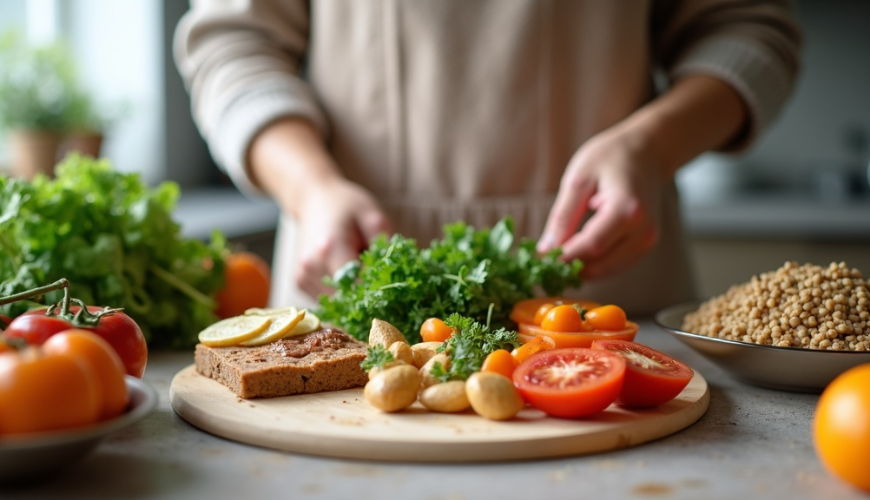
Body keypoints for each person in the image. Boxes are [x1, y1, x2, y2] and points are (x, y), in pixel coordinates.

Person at [174, 0, 801, 316]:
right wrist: (310, 188)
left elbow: (749, 29)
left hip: (608, 288)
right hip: (348, 285)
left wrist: (652, 145)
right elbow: (231, 42)